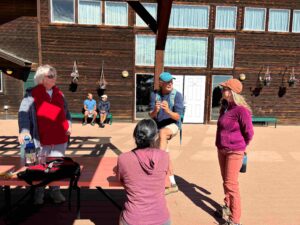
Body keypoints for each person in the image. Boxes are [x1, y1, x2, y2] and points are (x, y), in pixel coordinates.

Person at [18, 64, 72, 205]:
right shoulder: (31, 94)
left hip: (59, 138)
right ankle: (39, 191)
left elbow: (66, 113)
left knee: (55, 165)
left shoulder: (59, 93)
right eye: (51, 75)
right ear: (42, 78)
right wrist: (24, 130)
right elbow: (23, 115)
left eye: (55, 75)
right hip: (40, 138)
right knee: (40, 166)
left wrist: (69, 124)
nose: (55, 78)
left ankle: (55, 190)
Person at [117, 119, 171, 225]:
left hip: (133, 219)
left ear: (135, 136)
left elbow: (121, 181)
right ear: (155, 137)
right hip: (161, 219)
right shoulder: (164, 156)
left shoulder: (123, 158)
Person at [215, 78, 254, 225]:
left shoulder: (241, 110)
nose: (222, 90)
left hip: (234, 151)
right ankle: (227, 206)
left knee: (232, 184)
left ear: (231, 92)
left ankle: (235, 219)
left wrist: (241, 147)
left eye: (225, 88)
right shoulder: (225, 107)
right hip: (222, 149)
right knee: (226, 182)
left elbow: (249, 133)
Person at [149, 72, 184, 194]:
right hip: (158, 127)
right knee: (165, 151)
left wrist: (168, 110)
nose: (170, 84)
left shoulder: (177, 95)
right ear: (161, 83)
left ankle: (159, 161)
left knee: (163, 133)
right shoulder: (154, 95)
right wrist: (156, 110)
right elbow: (151, 115)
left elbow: (177, 117)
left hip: (173, 125)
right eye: (167, 82)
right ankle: (173, 184)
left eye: (171, 81)